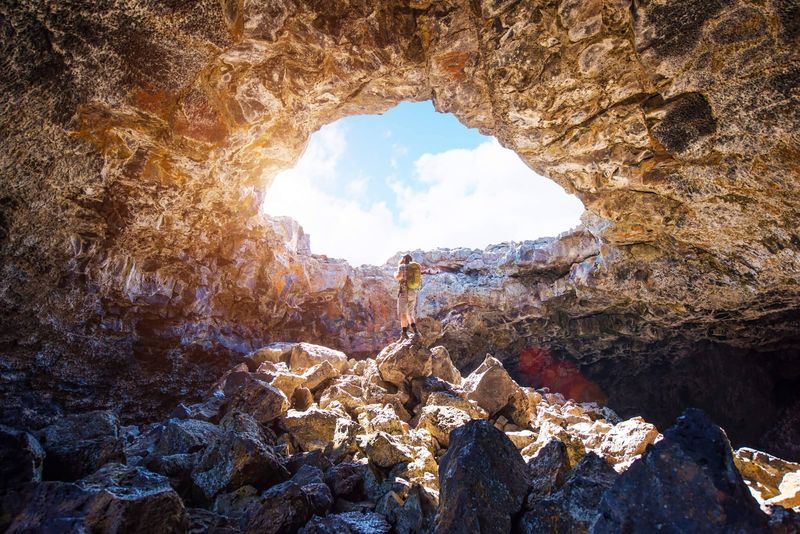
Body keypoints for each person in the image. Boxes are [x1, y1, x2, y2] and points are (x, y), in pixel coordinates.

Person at [394, 253, 421, 340]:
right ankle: (416, 332)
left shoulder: (402, 266)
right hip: (412, 292)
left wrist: (395, 274)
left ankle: (404, 333)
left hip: (404, 292)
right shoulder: (414, 268)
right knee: (410, 313)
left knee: (403, 313)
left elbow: (399, 277)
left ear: (404, 259)